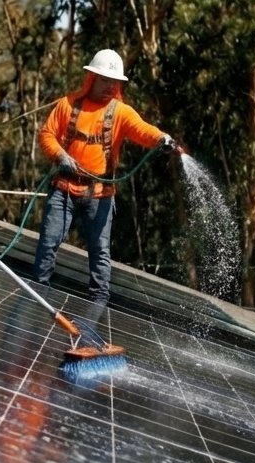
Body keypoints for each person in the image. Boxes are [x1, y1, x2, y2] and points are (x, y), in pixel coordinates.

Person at [33, 49, 177, 304]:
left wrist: (161, 138)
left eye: (114, 81)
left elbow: (143, 130)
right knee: (49, 241)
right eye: (104, 80)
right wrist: (60, 156)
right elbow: (47, 134)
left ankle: (99, 304)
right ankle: (38, 294)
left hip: (100, 194)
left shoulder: (120, 112)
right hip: (64, 187)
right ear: (91, 78)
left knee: (99, 252)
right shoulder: (68, 104)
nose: (109, 86)